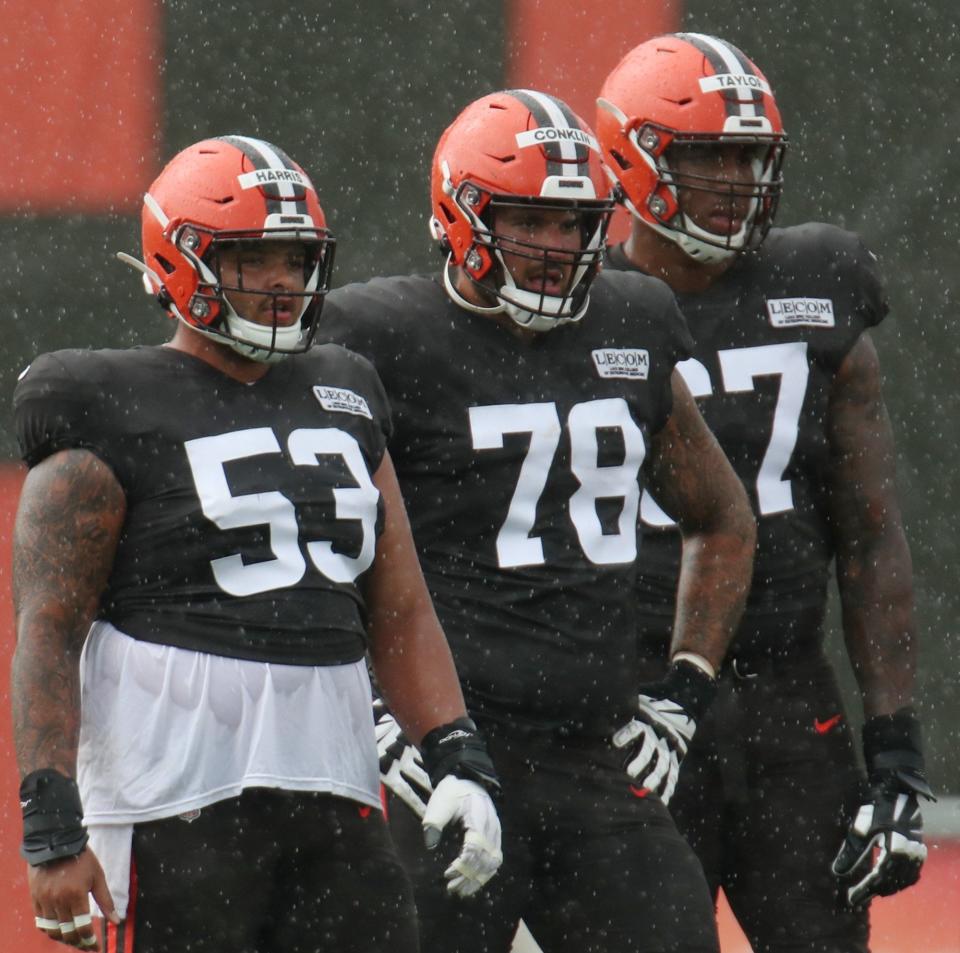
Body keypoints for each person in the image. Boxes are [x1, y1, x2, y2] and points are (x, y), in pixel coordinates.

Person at [11, 134, 503, 953]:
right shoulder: (98, 398)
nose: (282, 282)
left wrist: (459, 753)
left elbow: (400, 607)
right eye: (253, 259)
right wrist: (52, 821)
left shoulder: (345, 388)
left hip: (334, 790)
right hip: (170, 799)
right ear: (181, 261)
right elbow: (48, 629)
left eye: (295, 259)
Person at [321, 89, 757, 953]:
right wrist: (370, 713)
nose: (557, 247)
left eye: (573, 223)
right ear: (461, 212)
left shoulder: (632, 320)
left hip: (591, 752)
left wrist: (683, 693)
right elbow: (318, 545)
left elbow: (721, 516)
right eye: (530, 220)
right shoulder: (378, 337)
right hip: (444, 751)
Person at [596, 33, 934, 953]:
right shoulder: (581, 309)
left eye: (751, 157)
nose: (736, 182)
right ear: (636, 157)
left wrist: (896, 746)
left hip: (789, 695)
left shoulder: (818, 285)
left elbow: (869, 537)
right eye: (708, 157)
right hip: (633, 702)